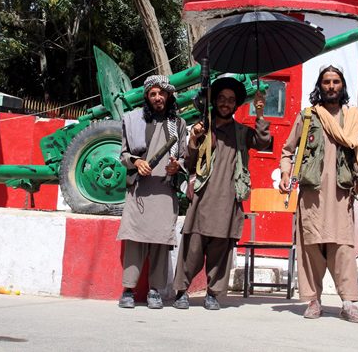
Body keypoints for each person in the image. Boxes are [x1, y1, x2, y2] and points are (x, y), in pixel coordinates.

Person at [279, 64, 358, 322]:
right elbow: (287, 150)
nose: (331, 86)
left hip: (342, 193)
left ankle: (349, 303)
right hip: (312, 193)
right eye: (326, 82)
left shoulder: (353, 117)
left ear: (342, 86)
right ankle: (313, 300)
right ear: (320, 86)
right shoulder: (308, 116)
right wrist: (286, 173)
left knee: (343, 247)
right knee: (310, 246)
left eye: (336, 82)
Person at [173, 76, 270, 310]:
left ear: (236, 105)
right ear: (215, 101)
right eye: (222, 99)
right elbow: (191, 160)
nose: (226, 103)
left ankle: (213, 293)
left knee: (221, 248)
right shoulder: (203, 127)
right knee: (193, 246)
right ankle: (181, 291)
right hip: (202, 198)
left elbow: (263, 142)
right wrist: (195, 139)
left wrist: (259, 114)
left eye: (231, 100)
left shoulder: (241, 132)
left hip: (228, 199)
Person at [116, 75, 188, 309]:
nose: (158, 98)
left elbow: (185, 156)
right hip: (140, 189)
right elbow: (123, 154)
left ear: (169, 96)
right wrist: (137, 162)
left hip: (165, 190)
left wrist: (177, 166)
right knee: (135, 241)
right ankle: (128, 290)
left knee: (160, 242)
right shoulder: (133, 120)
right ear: (147, 97)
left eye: (162, 93)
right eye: (153, 94)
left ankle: (155, 291)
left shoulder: (178, 124)